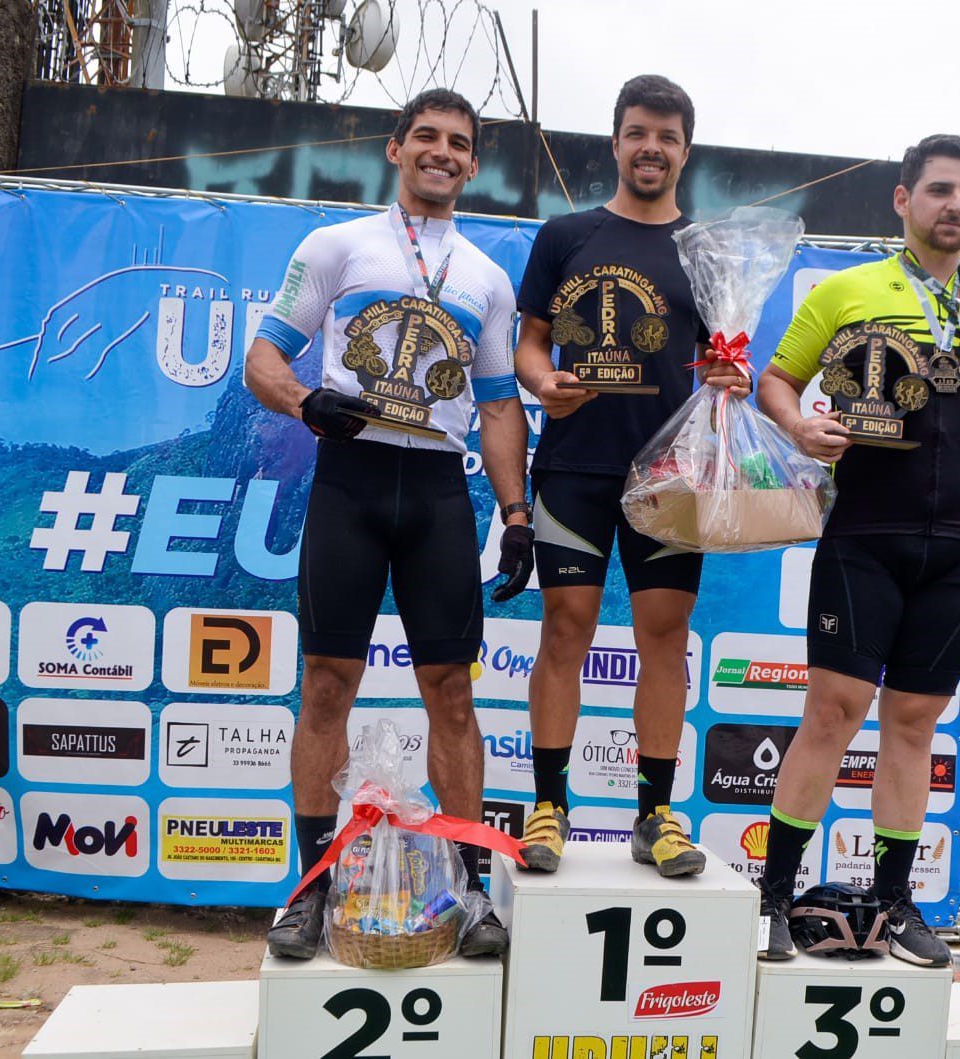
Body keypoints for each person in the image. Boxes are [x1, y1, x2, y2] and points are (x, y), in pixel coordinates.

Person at [244, 88, 535, 959]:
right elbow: (262, 357)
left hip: (439, 492)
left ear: (473, 164)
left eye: (459, 143)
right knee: (326, 685)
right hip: (353, 480)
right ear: (396, 148)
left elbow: (498, 405)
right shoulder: (336, 246)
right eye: (427, 138)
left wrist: (516, 514)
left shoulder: (486, 277)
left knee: (453, 692)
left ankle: (470, 891)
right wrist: (305, 402)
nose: (442, 153)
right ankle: (309, 891)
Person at [753, 134, 960, 964]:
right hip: (866, 536)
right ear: (903, 199)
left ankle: (893, 903)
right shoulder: (848, 290)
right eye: (940, 190)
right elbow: (776, 380)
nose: (956, 206)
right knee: (832, 714)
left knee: (914, 724)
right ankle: (772, 898)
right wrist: (799, 424)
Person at [512, 75, 748, 876]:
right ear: (615, 142)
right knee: (565, 626)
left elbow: (721, 356)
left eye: (667, 136)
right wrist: (542, 381)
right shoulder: (565, 235)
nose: (652, 148)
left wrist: (732, 375)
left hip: (669, 475)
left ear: (686, 150)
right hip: (573, 467)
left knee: (665, 636)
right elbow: (529, 343)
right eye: (639, 132)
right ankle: (549, 806)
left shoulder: (705, 251)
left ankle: (655, 815)